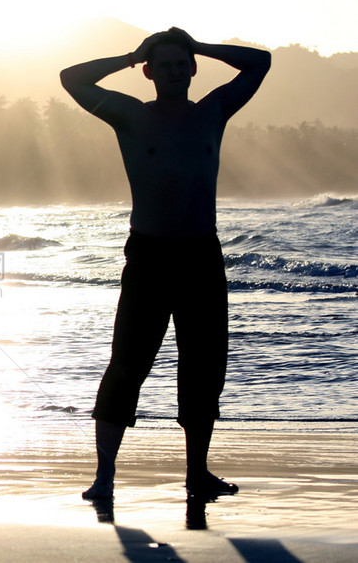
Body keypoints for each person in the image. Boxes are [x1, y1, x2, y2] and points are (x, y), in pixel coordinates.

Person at [60, 28, 270, 500]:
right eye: (165, 65)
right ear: (150, 72)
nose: (175, 72)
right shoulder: (130, 115)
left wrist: (202, 47)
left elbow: (262, 63)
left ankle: (198, 474)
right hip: (151, 256)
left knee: (204, 368)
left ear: (192, 68)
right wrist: (131, 56)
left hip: (200, 256)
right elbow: (72, 78)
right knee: (127, 365)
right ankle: (104, 477)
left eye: (183, 64)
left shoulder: (212, 112)